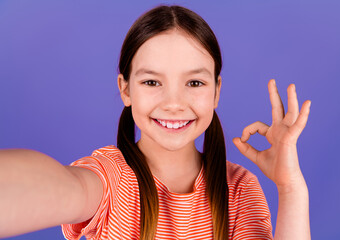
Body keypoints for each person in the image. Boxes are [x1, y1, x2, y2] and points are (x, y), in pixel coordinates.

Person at [0, 5, 311, 240]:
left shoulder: (240, 189)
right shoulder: (111, 179)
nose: (173, 103)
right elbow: (58, 187)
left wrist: (290, 187)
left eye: (194, 83)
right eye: (151, 82)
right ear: (125, 89)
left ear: (217, 91)